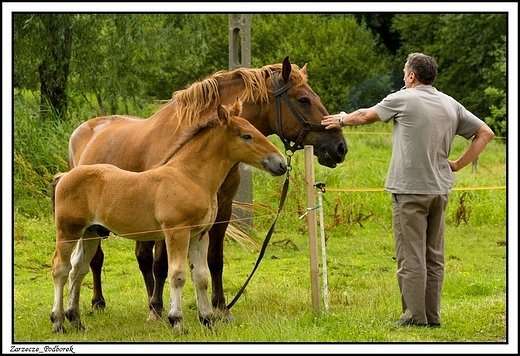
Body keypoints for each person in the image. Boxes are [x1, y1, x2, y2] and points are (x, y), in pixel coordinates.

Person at [321, 52, 495, 327]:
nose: (404, 77)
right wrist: (459, 164)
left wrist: (341, 120)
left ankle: (414, 316)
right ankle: (432, 315)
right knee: (433, 255)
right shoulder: (451, 104)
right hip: (440, 189)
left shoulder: (403, 98)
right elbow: (486, 133)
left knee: (410, 254)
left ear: (412, 76)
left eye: (405, 73)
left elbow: (366, 116)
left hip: (409, 190)